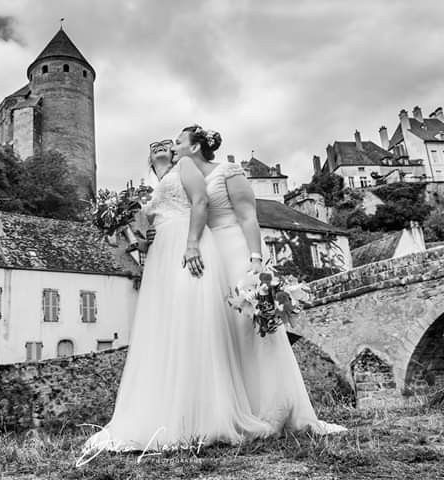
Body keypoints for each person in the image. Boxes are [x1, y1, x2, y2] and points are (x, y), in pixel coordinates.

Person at [79, 132, 272, 460]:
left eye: (164, 143)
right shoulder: (157, 185)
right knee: (166, 327)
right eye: (151, 146)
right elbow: (156, 221)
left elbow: (201, 203)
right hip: (161, 254)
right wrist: (138, 242)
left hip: (187, 242)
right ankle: (172, 411)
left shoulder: (185, 167)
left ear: (175, 150)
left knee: (192, 319)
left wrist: (193, 243)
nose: (158, 146)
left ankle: (208, 414)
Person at [170, 124, 346, 435]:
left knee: (250, 328)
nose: (174, 146)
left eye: (179, 141)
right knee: (220, 329)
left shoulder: (228, 170)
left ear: (196, 147)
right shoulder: (187, 178)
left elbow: (248, 215)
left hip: (235, 248)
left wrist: (255, 261)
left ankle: (270, 411)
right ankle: (235, 409)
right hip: (211, 256)